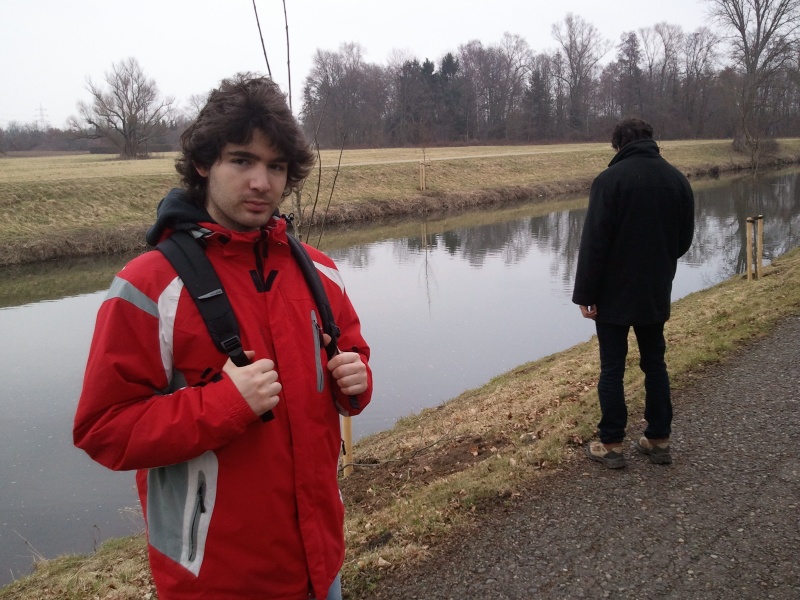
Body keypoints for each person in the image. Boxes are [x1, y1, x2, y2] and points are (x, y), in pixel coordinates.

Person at [73, 74, 373, 599]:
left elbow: (350, 362)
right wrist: (225, 404)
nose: (261, 182)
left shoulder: (319, 271)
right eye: (242, 160)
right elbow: (104, 429)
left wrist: (357, 380)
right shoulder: (150, 285)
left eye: (276, 166)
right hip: (216, 581)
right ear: (203, 163)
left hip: (322, 564)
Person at [572, 117, 694, 469]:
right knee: (655, 363)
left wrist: (585, 293)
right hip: (655, 289)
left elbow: (595, 242)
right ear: (650, 139)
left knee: (612, 367)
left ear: (619, 145)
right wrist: (658, 264)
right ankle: (658, 439)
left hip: (612, 293)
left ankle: (611, 444)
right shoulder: (676, 179)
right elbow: (683, 240)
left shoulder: (609, 181)